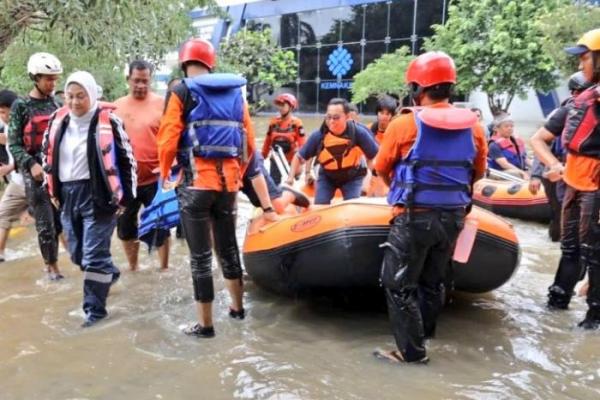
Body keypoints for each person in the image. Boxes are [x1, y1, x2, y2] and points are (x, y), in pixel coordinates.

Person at [373, 51, 487, 364]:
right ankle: (425, 337)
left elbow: (381, 167)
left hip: (413, 219)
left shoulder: (404, 124)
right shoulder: (475, 128)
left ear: (416, 87)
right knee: (433, 281)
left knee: (398, 285)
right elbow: (477, 172)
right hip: (452, 219)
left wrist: (399, 186)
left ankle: (411, 353)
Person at [157, 38, 255, 338]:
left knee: (199, 257)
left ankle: (206, 325)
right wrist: (237, 174)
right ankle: (238, 310)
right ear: (211, 63)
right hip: (228, 187)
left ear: (185, 63)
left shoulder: (181, 90)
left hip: (196, 185)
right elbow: (249, 143)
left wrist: (165, 174)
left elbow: (168, 138)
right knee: (228, 249)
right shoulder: (235, 93)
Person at [43, 71, 137, 327]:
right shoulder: (58, 121)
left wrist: (126, 198)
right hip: (68, 195)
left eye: (80, 96)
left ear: (92, 95)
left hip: (99, 196)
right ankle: (110, 272)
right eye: (70, 97)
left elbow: (128, 160)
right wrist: (51, 191)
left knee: (93, 257)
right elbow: (47, 155)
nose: (74, 102)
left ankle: (95, 312)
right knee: (77, 256)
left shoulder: (108, 121)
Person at [530, 28, 600, 329]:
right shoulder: (577, 102)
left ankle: (594, 317)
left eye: (584, 58)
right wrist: (553, 165)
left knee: (594, 254)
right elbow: (538, 139)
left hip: (595, 189)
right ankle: (557, 302)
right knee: (570, 248)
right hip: (573, 184)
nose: (580, 65)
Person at [8, 52, 64, 280]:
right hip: (35, 173)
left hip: (56, 170)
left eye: (54, 79)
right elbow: (14, 143)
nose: (52, 83)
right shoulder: (21, 106)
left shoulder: (56, 104)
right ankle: (51, 268)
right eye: (48, 79)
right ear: (36, 78)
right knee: (45, 224)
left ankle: (63, 258)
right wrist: (30, 164)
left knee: (61, 221)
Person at [114, 60, 170, 271]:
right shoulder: (116, 106)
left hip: (156, 178)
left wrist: (169, 168)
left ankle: (164, 269)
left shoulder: (162, 104)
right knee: (126, 228)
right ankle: (133, 268)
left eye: (145, 81)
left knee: (161, 226)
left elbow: (171, 137)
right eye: (136, 81)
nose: (140, 85)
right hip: (126, 180)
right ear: (128, 79)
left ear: (150, 80)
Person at [529, 71, 592, 242]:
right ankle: (559, 241)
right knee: (559, 213)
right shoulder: (563, 114)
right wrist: (537, 174)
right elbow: (539, 145)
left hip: (583, 175)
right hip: (558, 174)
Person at [285, 98, 379, 205]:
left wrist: (375, 176)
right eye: (328, 117)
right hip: (327, 176)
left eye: (336, 118)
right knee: (320, 204)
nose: (331, 121)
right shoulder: (319, 136)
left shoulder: (358, 133)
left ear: (347, 117)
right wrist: (290, 178)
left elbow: (373, 156)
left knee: (353, 205)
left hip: (352, 176)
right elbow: (299, 157)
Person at [0, 90, 29, 262]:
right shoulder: (8, 126)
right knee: (2, 216)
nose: (2, 116)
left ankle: (73, 256)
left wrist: (10, 167)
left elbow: (32, 153)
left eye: (4, 111)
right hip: (18, 183)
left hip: (32, 182)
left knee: (54, 223)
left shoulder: (26, 125)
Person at [241, 150, 310, 220]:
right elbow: (267, 145)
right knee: (257, 203)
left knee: (276, 206)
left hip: (249, 164)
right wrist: (264, 154)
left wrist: (268, 209)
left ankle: (288, 193)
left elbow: (255, 174)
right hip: (233, 173)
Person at [261, 93, 305, 184]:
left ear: (291, 106)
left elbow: (302, 144)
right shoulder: (273, 123)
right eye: (279, 105)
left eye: (283, 105)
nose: (280, 108)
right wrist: (262, 157)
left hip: (291, 161)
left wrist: (301, 161)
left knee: (293, 186)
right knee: (273, 185)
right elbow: (267, 141)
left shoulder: (297, 123)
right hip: (275, 160)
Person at [487, 113, 531, 179]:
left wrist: (536, 168)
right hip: (500, 173)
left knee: (537, 173)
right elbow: (504, 164)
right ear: (496, 129)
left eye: (511, 126)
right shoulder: (493, 145)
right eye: (506, 126)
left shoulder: (517, 142)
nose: (510, 128)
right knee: (518, 174)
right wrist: (522, 172)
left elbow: (525, 159)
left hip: (517, 170)